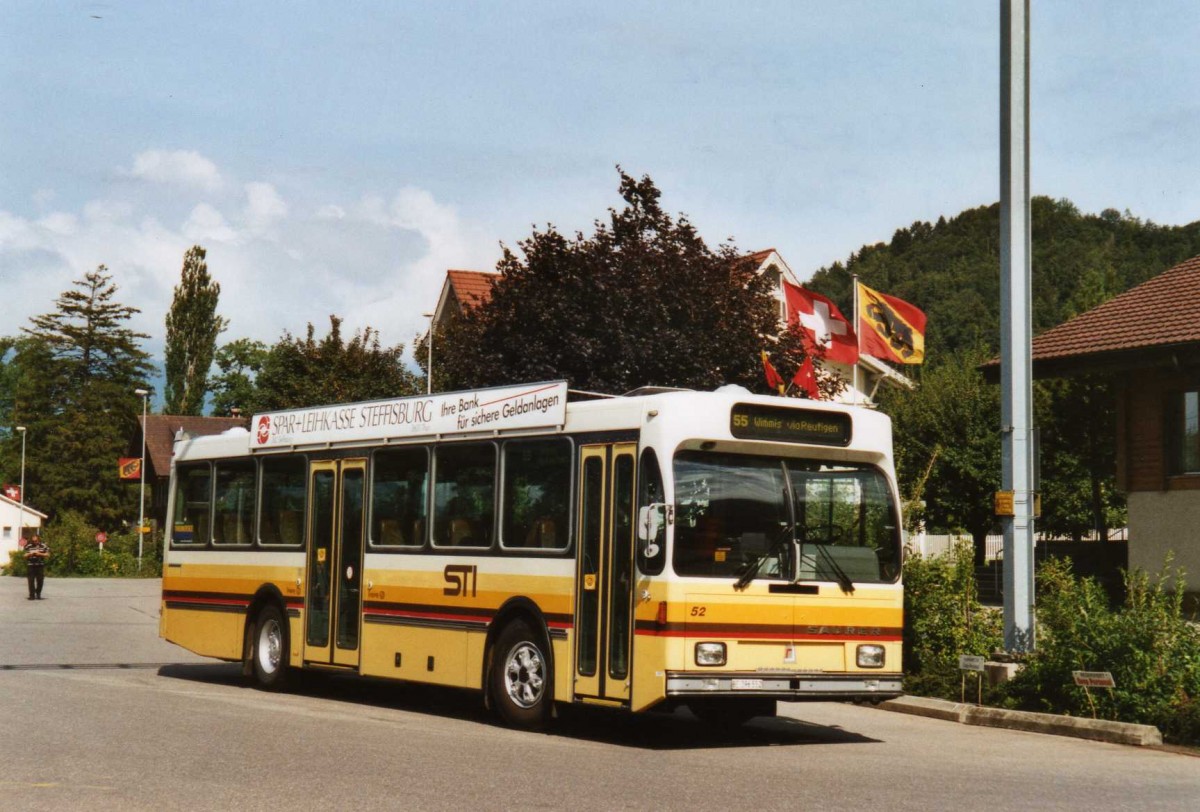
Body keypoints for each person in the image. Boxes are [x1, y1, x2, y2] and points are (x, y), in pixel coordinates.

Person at [24, 534, 49, 600]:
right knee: (31, 581)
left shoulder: (43, 545)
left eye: (36, 541)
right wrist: (30, 554)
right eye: (33, 541)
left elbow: (47, 554)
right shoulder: (29, 546)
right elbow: (24, 555)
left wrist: (39, 554)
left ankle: (38, 593)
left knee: (40, 580)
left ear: (38, 539)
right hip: (31, 565)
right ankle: (32, 595)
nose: (35, 542)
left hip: (40, 565)